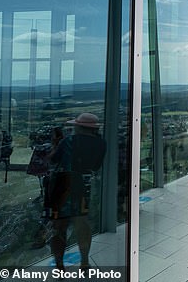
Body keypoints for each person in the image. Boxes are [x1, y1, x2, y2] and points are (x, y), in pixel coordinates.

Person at [48, 113, 106, 271]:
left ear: (79, 127)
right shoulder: (101, 144)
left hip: (62, 185)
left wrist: (55, 145)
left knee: (59, 226)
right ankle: (85, 262)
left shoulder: (68, 141)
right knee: (82, 223)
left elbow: (53, 159)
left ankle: (60, 266)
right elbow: (95, 167)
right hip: (83, 186)